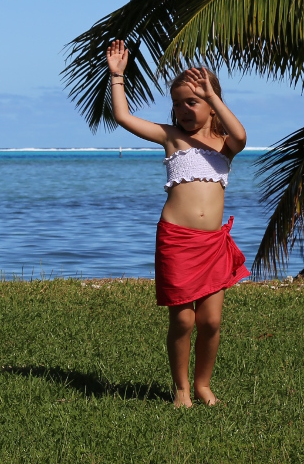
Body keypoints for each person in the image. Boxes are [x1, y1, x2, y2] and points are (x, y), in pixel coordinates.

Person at [106, 39, 250, 408]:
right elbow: (123, 117)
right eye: (177, 103)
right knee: (184, 321)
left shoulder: (224, 145)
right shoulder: (171, 138)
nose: (183, 110)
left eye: (193, 102)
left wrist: (213, 96)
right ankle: (182, 389)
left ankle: (203, 385)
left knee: (211, 322)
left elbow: (241, 136)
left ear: (212, 104)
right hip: (177, 241)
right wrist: (117, 75)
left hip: (213, 244)